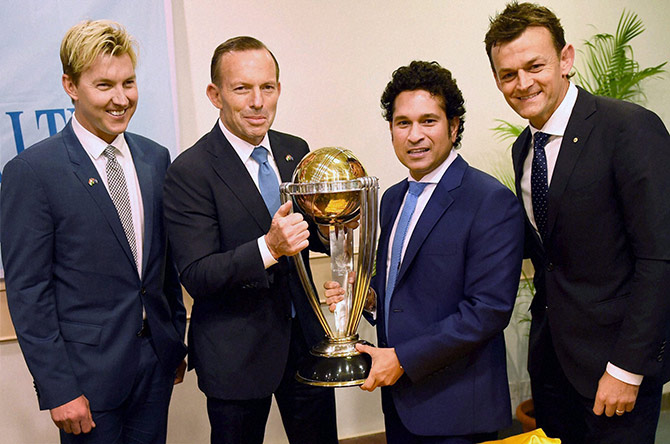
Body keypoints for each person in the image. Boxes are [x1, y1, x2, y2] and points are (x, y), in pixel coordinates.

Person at [485, 3, 670, 443]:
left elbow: (659, 258)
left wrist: (627, 368)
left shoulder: (629, 129)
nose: (522, 83)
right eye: (508, 74)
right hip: (553, 368)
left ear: (566, 59)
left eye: (535, 66)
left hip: (616, 369)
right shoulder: (524, 149)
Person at [1, 20, 187, 444]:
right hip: (85, 381)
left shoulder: (155, 158)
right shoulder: (32, 172)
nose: (121, 99)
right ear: (70, 85)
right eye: (104, 85)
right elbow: (29, 293)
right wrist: (58, 389)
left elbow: (163, 266)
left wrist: (173, 338)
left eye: (129, 82)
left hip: (155, 366)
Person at [326, 60, 524, 444]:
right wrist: (366, 299)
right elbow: (407, 292)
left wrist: (401, 359)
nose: (414, 135)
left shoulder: (489, 200)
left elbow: (487, 310)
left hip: (457, 411)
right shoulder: (393, 198)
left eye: (428, 121)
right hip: (400, 405)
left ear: (454, 126)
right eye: (403, 123)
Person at [162, 36, 338, 444]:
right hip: (235, 357)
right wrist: (269, 248)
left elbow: (311, 234)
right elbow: (197, 275)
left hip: (307, 345)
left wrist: (337, 230)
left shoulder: (297, 151)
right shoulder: (190, 170)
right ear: (215, 94)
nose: (258, 101)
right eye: (242, 88)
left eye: (268, 87)